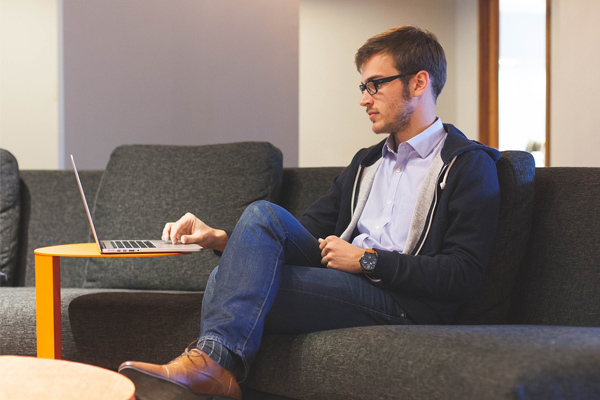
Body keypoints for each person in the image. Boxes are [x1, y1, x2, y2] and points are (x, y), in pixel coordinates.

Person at [119, 26, 500, 400]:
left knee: (229, 282)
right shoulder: (367, 164)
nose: (364, 99)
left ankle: (211, 368)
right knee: (262, 218)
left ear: (418, 83)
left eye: (375, 84)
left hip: (405, 303)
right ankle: (212, 369)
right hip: (348, 282)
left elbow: (462, 274)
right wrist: (220, 238)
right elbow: (301, 231)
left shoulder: (466, 165)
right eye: (363, 87)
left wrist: (367, 261)